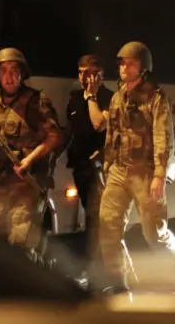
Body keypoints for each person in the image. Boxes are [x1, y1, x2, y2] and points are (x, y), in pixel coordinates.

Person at [99, 41, 175, 295]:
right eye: (121, 62)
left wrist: (159, 175)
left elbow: (163, 136)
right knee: (108, 226)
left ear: (143, 68)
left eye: (130, 63)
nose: (124, 67)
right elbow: (112, 133)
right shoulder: (117, 96)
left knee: (155, 234)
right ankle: (121, 283)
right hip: (119, 171)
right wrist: (108, 165)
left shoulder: (156, 98)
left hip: (146, 172)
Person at [0, 47, 61, 251]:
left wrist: (28, 161)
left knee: (21, 242)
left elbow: (54, 137)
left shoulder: (37, 102)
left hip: (27, 185)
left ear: (22, 74)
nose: (9, 76)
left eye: (14, 70)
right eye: (4, 70)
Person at [63, 54, 113, 276]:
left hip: (100, 168)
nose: (83, 77)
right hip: (80, 167)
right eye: (81, 72)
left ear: (100, 76)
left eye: (89, 73)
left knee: (97, 216)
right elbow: (70, 130)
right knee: (89, 213)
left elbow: (99, 124)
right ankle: (96, 262)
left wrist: (92, 97)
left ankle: (97, 265)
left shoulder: (108, 97)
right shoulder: (74, 98)